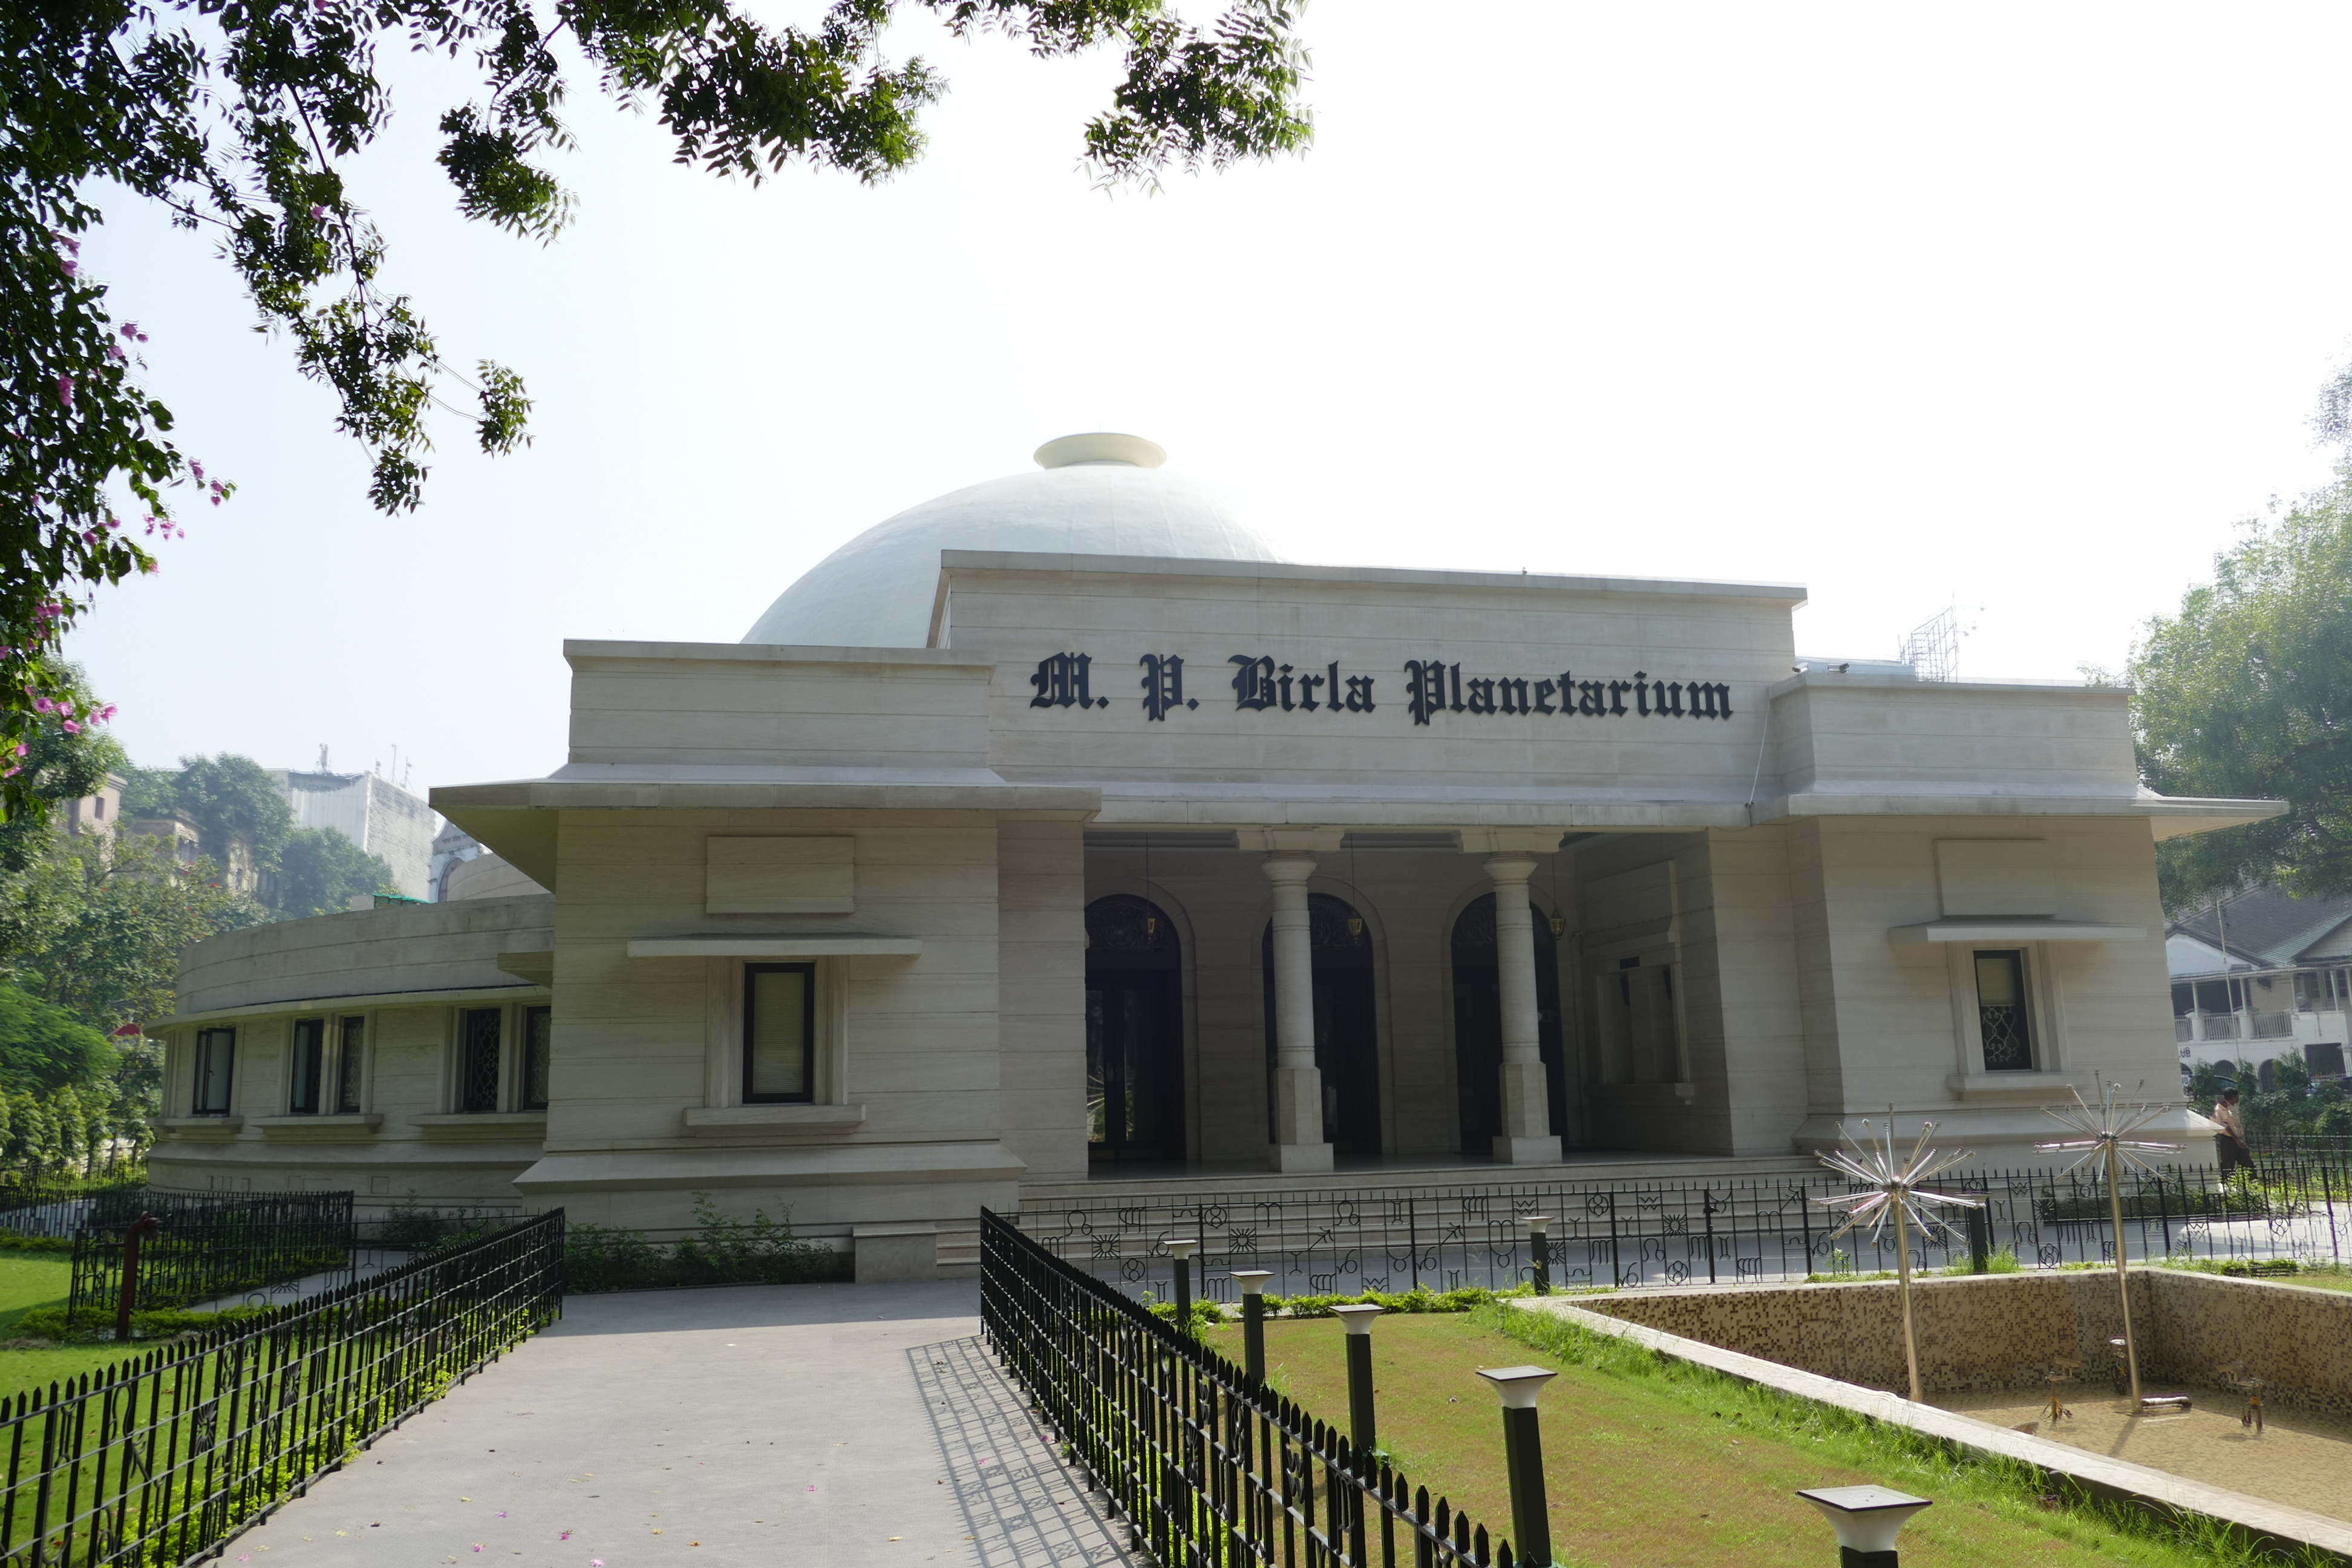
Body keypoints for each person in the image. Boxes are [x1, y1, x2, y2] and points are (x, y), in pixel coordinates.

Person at [2213, 1087, 2252, 1180]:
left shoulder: (2228, 1108)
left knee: (2247, 1162)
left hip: (2236, 1139)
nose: (2238, 1099)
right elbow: (2225, 1126)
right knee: (2228, 1164)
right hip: (2228, 1140)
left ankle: (2252, 1181)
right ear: (2233, 1097)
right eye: (2237, 1097)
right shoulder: (2219, 1109)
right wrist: (2237, 1139)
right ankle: (2228, 1184)